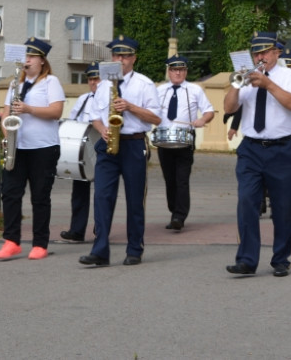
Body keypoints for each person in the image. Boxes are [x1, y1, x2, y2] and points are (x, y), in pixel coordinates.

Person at [223, 31, 291, 277]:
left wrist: (268, 84)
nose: (260, 56)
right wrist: (237, 85)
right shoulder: (246, 77)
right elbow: (228, 108)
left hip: (282, 148)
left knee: (282, 206)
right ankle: (247, 259)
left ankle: (281, 259)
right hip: (251, 148)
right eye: (256, 52)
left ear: (276, 52)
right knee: (247, 202)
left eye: (265, 52)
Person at [79, 36, 161, 267]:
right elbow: (94, 114)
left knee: (135, 199)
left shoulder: (144, 84)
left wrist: (131, 107)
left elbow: (156, 117)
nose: (120, 60)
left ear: (133, 58)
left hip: (134, 144)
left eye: (125, 56)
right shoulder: (104, 82)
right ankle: (100, 251)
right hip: (108, 144)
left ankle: (134, 249)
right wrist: (102, 128)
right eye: (116, 56)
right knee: (102, 197)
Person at [0, 37, 65, 261]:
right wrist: (8, 136)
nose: (27, 61)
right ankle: (11, 241)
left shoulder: (50, 82)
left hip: (43, 147)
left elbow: (56, 112)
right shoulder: (16, 83)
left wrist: (28, 109)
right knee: (10, 193)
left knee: (40, 196)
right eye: (25, 57)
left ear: (42, 61)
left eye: (31, 57)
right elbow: (5, 115)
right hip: (19, 147)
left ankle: (40, 243)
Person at [155, 54, 215, 231]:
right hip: (164, 139)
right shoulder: (159, 90)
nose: (178, 73)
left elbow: (209, 111)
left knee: (182, 179)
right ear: (169, 71)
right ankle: (174, 210)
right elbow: (150, 110)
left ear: (186, 71)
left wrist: (203, 120)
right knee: (169, 179)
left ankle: (179, 217)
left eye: (181, 69)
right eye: (174, 70)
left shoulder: (195, 90)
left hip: (185, 139)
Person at [59, 61, 100, 243]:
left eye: (97, 78)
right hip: (82, 152)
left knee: (102, 192)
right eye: (90, 79)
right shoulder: (84, 99)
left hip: (102, 147)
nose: (93, 82)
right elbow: (73, 120)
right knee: (79, 193)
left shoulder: (110, 99)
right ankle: (77, 230)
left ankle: (101, 227)